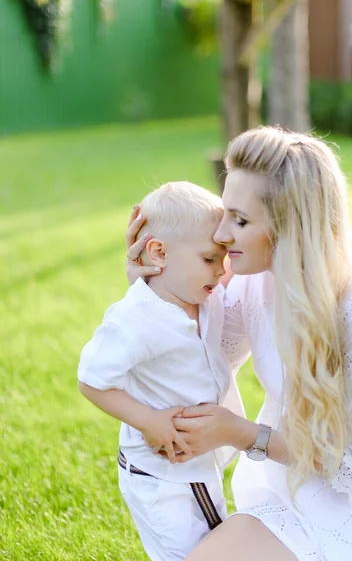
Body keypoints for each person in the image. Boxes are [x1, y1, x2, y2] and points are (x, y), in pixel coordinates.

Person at [126, 126, 352, 561]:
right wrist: (155, 280)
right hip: (288, 493)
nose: (220, 234)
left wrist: (244, 434)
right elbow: (196, 361)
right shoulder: (255, 281)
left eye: (240, 220)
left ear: (291, 225)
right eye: (224, 213)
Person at [78, 181, 246, 561]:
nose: (221, 271)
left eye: (224, 258)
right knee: (187, 551)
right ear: (158, 252)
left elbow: (241, 272)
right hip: (160, 473)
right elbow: (91, 379)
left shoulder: (201, 297)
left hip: (195, 463)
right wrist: (149, 421)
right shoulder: (138, 316)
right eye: (208, 259)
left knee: (215, 539)